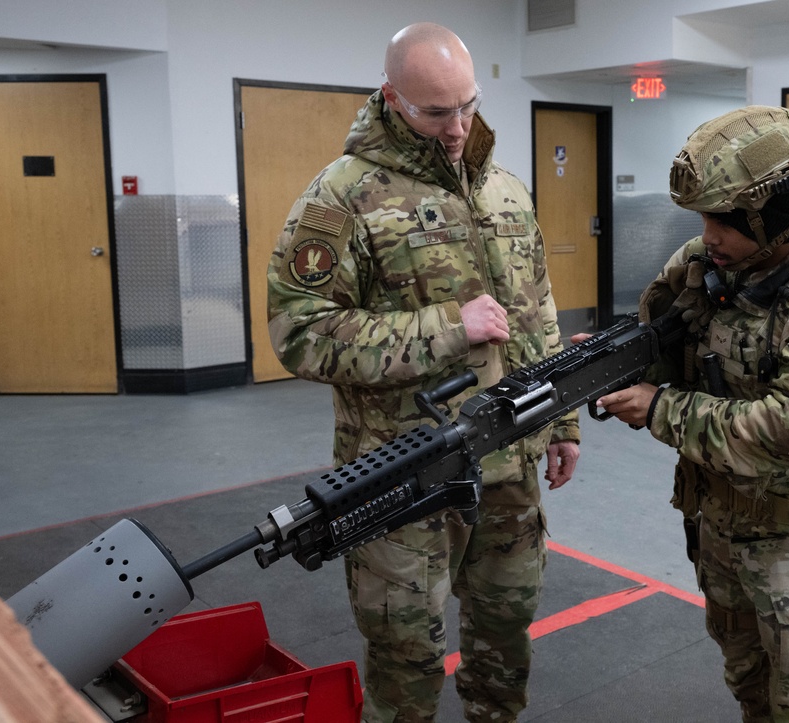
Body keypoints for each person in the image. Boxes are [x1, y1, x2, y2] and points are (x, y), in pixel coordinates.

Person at [266, 22, 581, 723]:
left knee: (504, 635)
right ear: (390, 97)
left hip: (511, 464)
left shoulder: (503, 187)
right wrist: (444, 328)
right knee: (405, 654)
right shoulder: (344, 196)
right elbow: (299, 333)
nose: (458, 126)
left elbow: (538, 310)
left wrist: (561, 420)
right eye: (437, 111)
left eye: (468, 104)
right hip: (403, 475)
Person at [595, 106, 789, 722]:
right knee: (750, 686)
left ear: (775, 215)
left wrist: (659, 408)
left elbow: (782, 433)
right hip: (720, 524)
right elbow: (661, 339)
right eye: (704, 218)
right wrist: (610, 365)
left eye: (724, 221)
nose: (708, 235)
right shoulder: (709, 265)